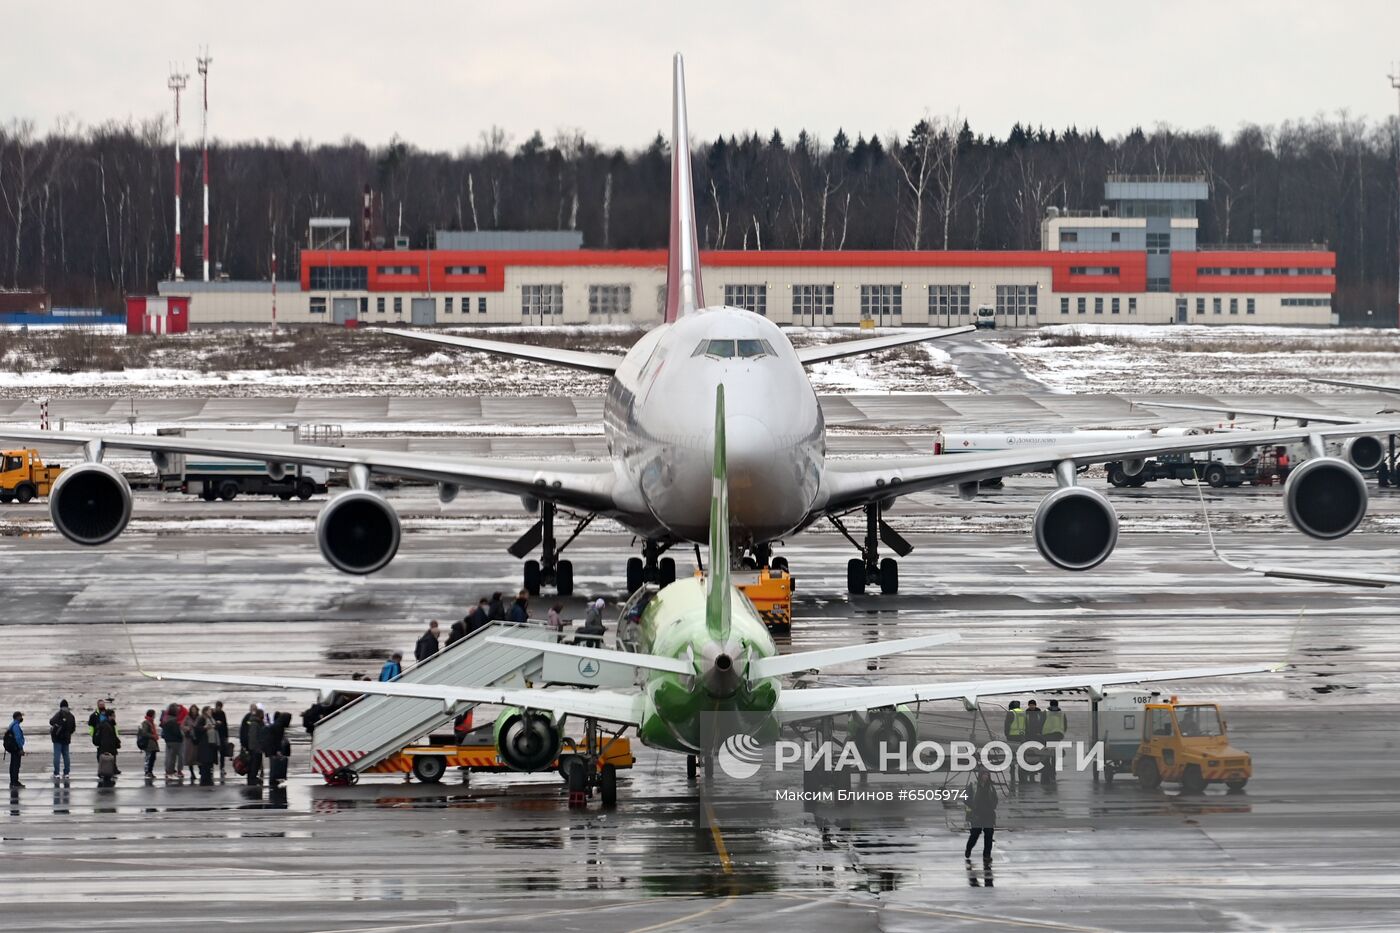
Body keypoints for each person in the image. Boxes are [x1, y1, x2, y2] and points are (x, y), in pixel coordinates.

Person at [964, 769, 998, 863]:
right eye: (984, 775)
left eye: (987, 775)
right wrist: (974, 807)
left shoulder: (991, 787)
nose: (985, 777)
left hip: (988, 815)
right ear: (980, 776)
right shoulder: (973, 786)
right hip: (977, 815)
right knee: (974, 835)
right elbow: (965, 798)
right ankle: (968, 848)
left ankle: (987, 855)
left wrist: (993, 806)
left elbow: (995, 799)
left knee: (989, 835)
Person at [48, 699, 76, 781]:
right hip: (66, 739)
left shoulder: (59, 714)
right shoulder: (71, 716)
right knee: (66, 756)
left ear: (61, 706)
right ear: (67, 706)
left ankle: (56, 773)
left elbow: (51, 721)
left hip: (57, 738)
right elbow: (73, 728)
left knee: (57, 756)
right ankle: (66, 773)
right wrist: (68, 733)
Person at [1042, 699, 1067, 784]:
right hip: (1058, 735)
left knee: (1046, 754)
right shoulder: (1062, 713)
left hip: (1047, 735)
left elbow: (1041, 722)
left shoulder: (1045, 712)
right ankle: (1053, 771)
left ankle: (1048, 770)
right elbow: (1065, 724)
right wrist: (1062, 733)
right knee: (1054, 755)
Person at [240, 703, 266, 785]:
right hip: (253, 747)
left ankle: (253, 777)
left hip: (255, 746)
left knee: (255, 763)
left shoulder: (256, 721)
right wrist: (246, 744)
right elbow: (249, 734)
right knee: (253, 763)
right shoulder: (252, 721)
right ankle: (252, 778)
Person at [1004, 700, 1027, 785]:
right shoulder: (1023, 712)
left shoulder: (1011, 713)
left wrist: (1007, 734)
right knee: (1021, 755)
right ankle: (1022, 773)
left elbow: (1007, 725)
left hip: (1012, 736)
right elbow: (1027, 724)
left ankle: (1012, 770)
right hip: (1021, 736)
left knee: (1012, 754)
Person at [94, 714, 120, 782]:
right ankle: (107, 773)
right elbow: (108, 737)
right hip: (107, 746)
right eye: (113, 716)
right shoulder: (107, 725)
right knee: (109, 759)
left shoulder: (107, 724)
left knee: (105, 760)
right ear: (109, 716)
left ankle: (107, 772)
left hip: (105, 746)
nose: (114, 718)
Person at [160, 703, 184, 781]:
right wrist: (181, 736)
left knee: (169, 757)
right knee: (176, 757)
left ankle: (168, 772)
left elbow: (165, 730)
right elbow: (176, 732)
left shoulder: (165, 719)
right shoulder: (173, 721)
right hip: (176, 741)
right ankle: (174, 772)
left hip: (168, 740)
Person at [198, 708, 219, 785]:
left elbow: (214, 728)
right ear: (205, 712)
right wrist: (205, 727)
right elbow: (197, 729)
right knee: (205, 762)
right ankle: (204, 779)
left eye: (210, 711)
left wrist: (216, 725)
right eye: (209, 711)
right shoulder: (202, 719)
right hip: (205, 743)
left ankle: (209, 778)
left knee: (210, 761)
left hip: (212, 742)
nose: (210, 712)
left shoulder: (212, 719)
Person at [5, 712, 25, 788]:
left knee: (13, 764)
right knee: (16, 765)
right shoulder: (16, 726)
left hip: (13, 747)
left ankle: (13, 781)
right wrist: (20, 748)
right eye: (20, 716)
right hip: (16, 748)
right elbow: (18, 738)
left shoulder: (12, 725)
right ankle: (14, 782)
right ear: (17, 717)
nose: (21, 718)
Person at [137, 709, 159, 778]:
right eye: (154, 715)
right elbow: (144, 733)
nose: (155, 716)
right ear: (152, 715)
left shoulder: (150, 723)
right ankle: (147, 772)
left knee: (152, 758)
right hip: (148, 743)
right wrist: (153, 736)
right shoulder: (146, 723)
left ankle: (149, 771)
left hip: (152, 743)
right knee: (149, 758)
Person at [181, 704, 199, 782]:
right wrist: (187, 728)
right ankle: (192, 773)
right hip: (189, 740)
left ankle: (201, 771)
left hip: (198, 739)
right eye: (192, 709)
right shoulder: (187, 717)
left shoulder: (199, 717)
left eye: (195, 709)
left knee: (199, 756)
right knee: (190, 757)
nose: (193, 711)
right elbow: (182, 726)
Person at [212, 701, 229, 776]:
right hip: (214, 735)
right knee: (213, 752)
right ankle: (211, 768)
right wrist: (216, 723)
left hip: (222, 735)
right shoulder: (212, 713)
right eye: (218, 707)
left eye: (220, 707)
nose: (219, 708)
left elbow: (225, 725)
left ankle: (222, 767)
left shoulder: (222, 713)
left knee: (222, 752)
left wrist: (226, 736)